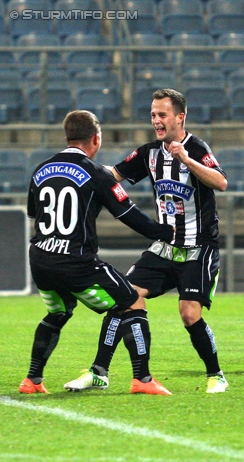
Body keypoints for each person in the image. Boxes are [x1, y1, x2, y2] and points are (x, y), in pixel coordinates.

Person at [65, 89, 230, 394]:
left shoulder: (196, 147)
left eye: (162, 114)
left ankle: (216, 374)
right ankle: (99, 371)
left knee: (189, 313)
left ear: (180, 117)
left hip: (199, 247)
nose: (156, 120)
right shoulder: (148, 153)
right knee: (123, 297)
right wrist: (74, 176)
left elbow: (220, 181)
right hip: (164, 248)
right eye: (153, 114)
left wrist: (186, 159)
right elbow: (110, 175)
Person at [19, 110, 174, 395]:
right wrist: (163, 233)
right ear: (96, 138)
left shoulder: (41, 169)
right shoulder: (96, 172)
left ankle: (32, 380)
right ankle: (143, 379)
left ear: (67, 137)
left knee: (59, 312)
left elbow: (33, 212)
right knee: (131, 301)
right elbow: (129, 214)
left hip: (40, 259)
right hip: (77, 262)